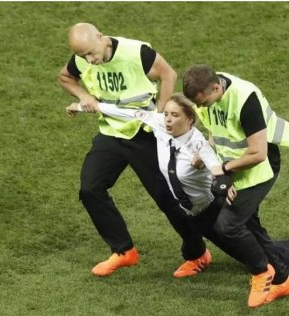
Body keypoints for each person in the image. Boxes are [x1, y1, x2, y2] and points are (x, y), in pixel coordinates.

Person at [66, 94, 289, 307]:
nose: (167, 119)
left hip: (215, 211)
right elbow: (127, 113)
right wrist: (83, 105)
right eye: (166, 114)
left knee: (265, 252)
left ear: (190, 119)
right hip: (196, 215)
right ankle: (204, 258)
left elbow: (218, 168)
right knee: (253, 248)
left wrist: (224, 184)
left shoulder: (199, 146)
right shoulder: (158, 125)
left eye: (175, 116)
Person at [58, 23, 211, 278]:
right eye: (83, 56)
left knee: (168, 197)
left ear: (100, 37)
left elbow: (168, 75)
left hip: (145, 133)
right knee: (90, 188)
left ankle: (197, 254)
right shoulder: (81, 59)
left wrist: (160, 117)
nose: (88, 60)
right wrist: (84, 96)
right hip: (112, 132)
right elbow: (65, 76)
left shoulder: (135, 52)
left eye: (90, 53)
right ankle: (123, 250)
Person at [181, 64, 289, 308]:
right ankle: (282, 278)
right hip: (232, 165)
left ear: (217, 87)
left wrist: (224, 170)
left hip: (260, 167)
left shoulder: (245, 99)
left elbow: (259, 153)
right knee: (249, 224)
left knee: (227, 225)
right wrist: (210, 158)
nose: (200, 108)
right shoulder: (208, 92)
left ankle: (263, 273)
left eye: (203, 103)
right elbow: (214, 132)